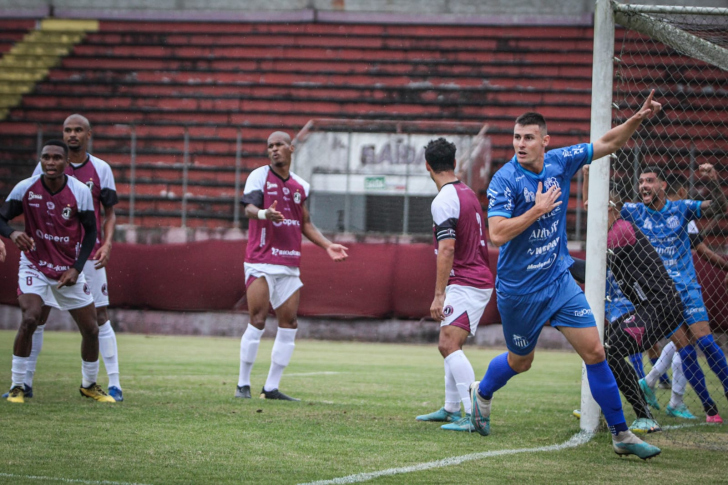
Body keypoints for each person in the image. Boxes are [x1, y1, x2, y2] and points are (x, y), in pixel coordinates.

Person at [470, 91, 663, 459]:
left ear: (545, 141)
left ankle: (621, 434)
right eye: (516, 137)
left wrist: (637, 119)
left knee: (595, 351)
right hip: (519, 291)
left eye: (528, 138)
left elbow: (608, 142)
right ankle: (482, 392)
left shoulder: (560, 160)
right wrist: (537, 210)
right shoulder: (505, 179)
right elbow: (496, 234)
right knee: (520, 361)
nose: (520, 144)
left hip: (558, 281)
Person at [3, 114, 124, 402]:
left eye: (78, 130)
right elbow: (8, 213)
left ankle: (108, 384)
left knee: (96, 322)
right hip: (38, 261)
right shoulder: (30, 183)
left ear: (88, 135)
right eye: (67, 130)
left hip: (79, 259)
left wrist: (104, 246)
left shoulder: (96, 174)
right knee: (34, 318)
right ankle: (21, 384)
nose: (72, 135)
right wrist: (10, 234)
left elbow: (102, 219)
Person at [571, 188, 698, 433]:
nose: (590, 215)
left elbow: (590, 272)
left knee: (612, 348)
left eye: (595, 208)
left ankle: (645, 416)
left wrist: (558, 259)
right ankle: (602, 408)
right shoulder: (615, 231)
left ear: (609, 208)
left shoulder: (620, 231)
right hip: (651, 306)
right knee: (601, 344)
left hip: (661, 307)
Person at [235, 131, 349, 401]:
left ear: (291, 148)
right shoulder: (259, 176)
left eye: (279, 145)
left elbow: (304, 222)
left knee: (289, 323)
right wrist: (264, 213)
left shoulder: (301, 185)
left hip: (288, 262)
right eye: (270, 146)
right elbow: (248, 208)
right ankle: (243, 384)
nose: (274, 150)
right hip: (261, 260)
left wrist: (327, 245)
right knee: (258, 320)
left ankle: (271, 388)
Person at [630, 168, 728, 422]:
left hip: (687, 289)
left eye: (649, 181)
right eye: (641, 182)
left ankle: (720, 394)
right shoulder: (635, 212)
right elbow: (599, 209)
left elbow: (719, 206)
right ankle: (708, 407)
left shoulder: (682, 209)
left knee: (706, 343)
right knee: (684, 348)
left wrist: (714, 181)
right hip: (661, 295)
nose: (643, 185)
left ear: (662, 185)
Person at [415, 138, 495, 432]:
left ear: (427, 166)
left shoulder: (444, 199)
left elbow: (447, 248)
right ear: (455, 163)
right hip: (473, 278)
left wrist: (439, 294)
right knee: (449, 343)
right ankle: (451, 408)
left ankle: (474, 414)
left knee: (448, 344)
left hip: (467, 280)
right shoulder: (468, 193)